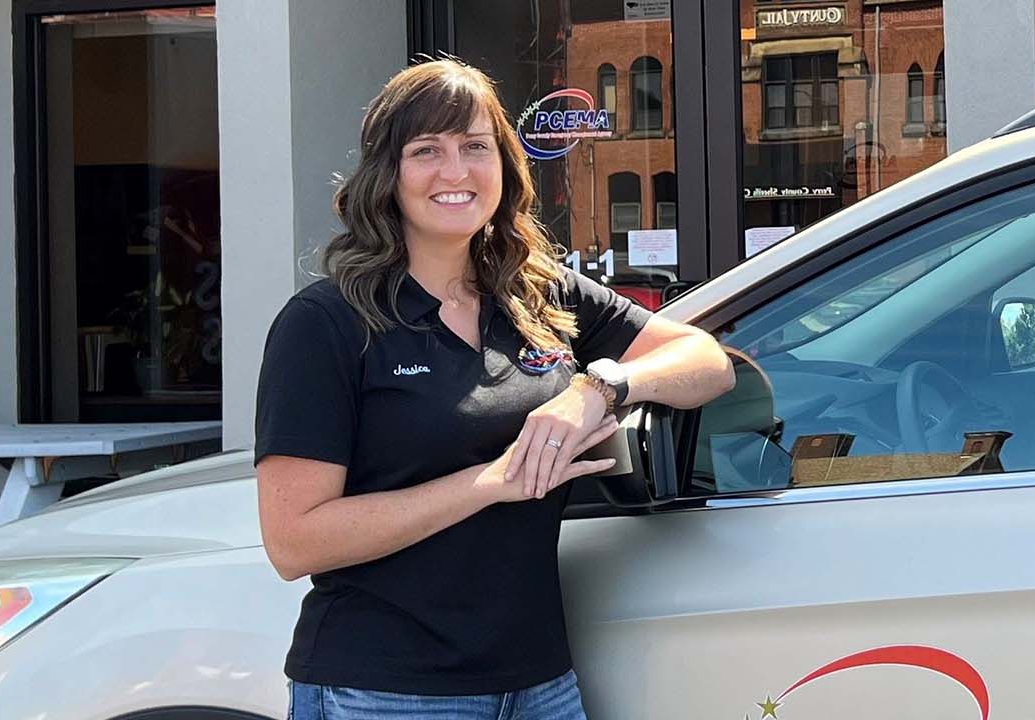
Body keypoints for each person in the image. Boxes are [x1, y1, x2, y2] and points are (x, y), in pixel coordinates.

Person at [253, 59, 734, 719]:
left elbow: (707, 361)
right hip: (386, 691)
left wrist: (601, 387)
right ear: (387, 177)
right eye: (427, 151)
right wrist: (492, 482)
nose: (456, 171)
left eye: (475, 147)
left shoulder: (539, 293)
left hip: (540, 685)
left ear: (505, 166)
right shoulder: (327, 323)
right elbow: (294, 542)